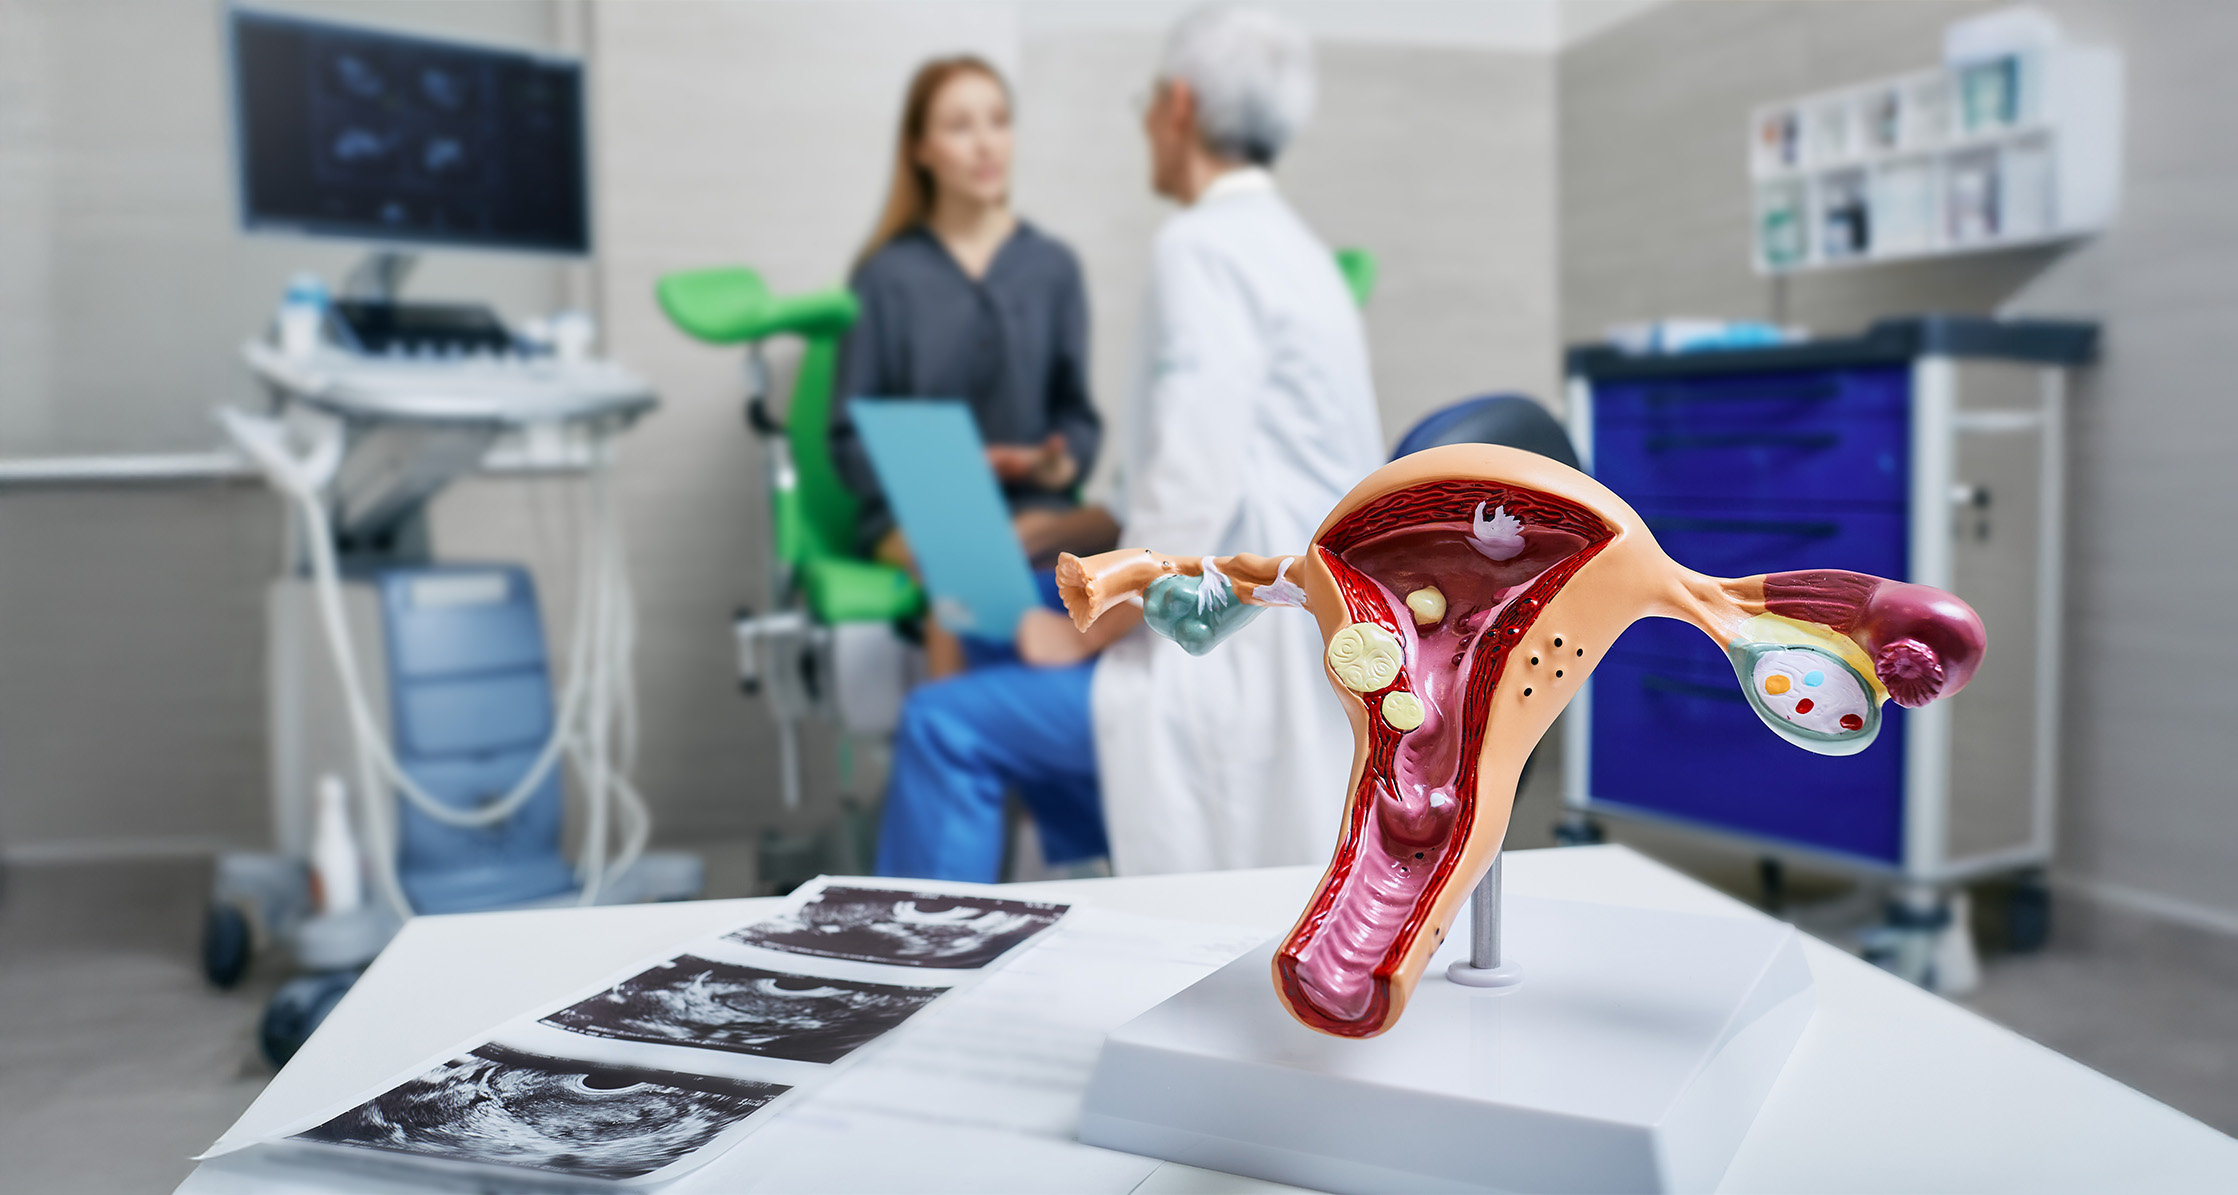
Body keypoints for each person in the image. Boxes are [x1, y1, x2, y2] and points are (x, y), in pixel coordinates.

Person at [876, 6, 1383, 881]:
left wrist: (1082, 633)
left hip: (1229, 652)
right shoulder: (1293, 249)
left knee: (939, 722)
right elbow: (1202, 466)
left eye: (1149, 102)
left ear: (1178, 107)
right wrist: (1059, 559)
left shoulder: (1201, 247)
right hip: (1279, 614)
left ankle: (916, 968)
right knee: (990, 602)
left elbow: (1190, 487)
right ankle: (1079, 877)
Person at [828, 55, 1117, 677]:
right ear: (921, 150)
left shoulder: (1053, 268)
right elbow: (848, 449)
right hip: (918, 514)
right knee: (967, 567)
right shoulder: (885, 278)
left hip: (1033, 507)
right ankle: (959, 743)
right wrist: (958, 468)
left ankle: (1066, 756)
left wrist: (1060, 460)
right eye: (960, 126)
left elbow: (1079, 419)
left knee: (1125, 556)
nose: (986, 144)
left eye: (998, 121)